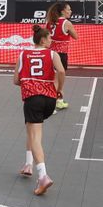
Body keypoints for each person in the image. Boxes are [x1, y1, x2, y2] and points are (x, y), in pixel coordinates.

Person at [15, 22, 67, 196]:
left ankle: (43, 175)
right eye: (50, 37)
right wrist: (59, 89)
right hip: (49, 100)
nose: (51, 40)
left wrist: (28, 79)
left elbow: (16, 80)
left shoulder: (23, 54)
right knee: (31, 130)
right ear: (43, 40)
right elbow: (61, 72)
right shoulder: (53, 54)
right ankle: (28, 164)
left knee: (35, 136)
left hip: (33, 98)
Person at [44, 2, 79, 110]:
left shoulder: (49, 22)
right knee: (56, 80)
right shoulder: (66, 23)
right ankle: (51, 105)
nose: (70, 11)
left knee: (53, 78)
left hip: (49, 53)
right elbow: (75, 36)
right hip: (60, 55)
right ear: (63, 11)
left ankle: (58, 100)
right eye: (68, 9)